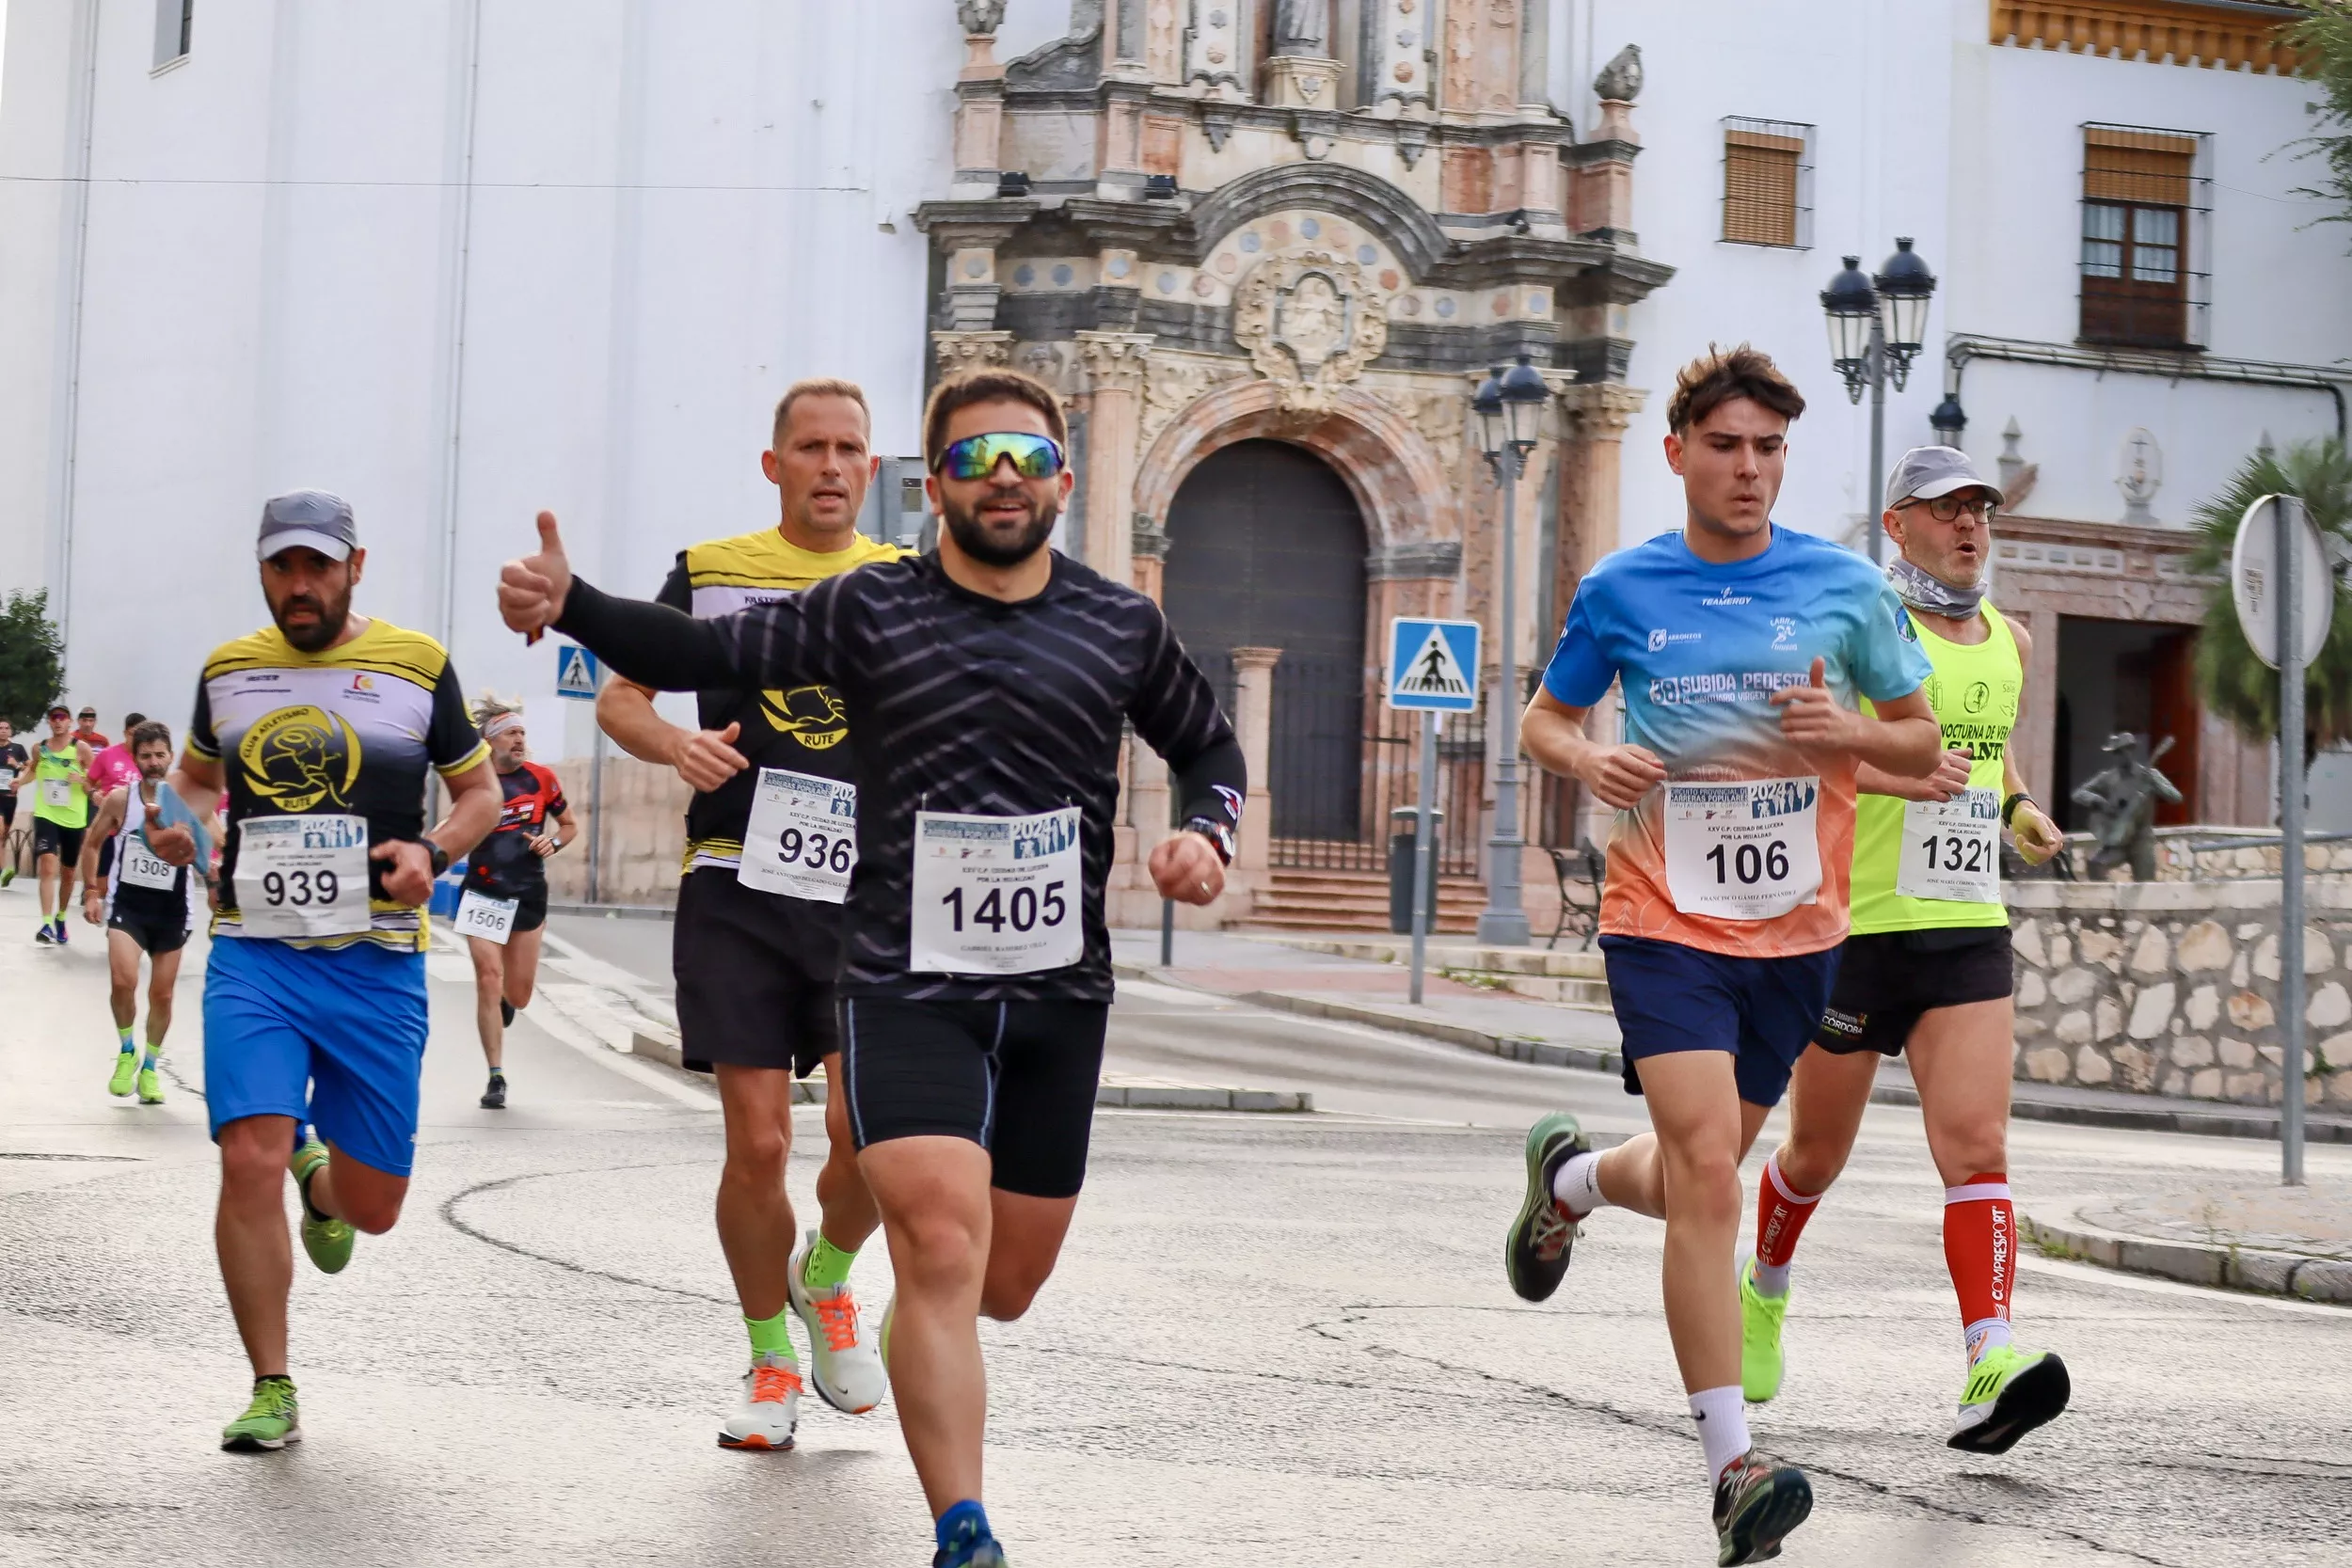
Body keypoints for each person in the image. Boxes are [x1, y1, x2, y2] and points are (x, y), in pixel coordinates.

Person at [500, 368, 1244, 1568]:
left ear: (1062, 477)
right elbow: (695, 641)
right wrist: (573, 599)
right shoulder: (868, 609)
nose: (1002, 477)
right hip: (905, 976)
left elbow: (1206, 740)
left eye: (1025, 455)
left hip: (1058, 992)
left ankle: (910, 1331)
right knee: (941, 1244)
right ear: (932, 483)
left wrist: (1206, 832)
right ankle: (964, 1527)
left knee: (1004, 1283)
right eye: (971, 458)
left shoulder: (1120, 623)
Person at [1502, 345, 1941, 1566]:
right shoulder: (1623, 586)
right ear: (1678, 451)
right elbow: (1547, 713)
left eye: (1768, 448)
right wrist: (1589, 760)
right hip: (1661, 917)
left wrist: (1841, 726)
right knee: (1711, 1169)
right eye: (1728, 445)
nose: (1749, 468)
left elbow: (1915, 742)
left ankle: (1574, 1182)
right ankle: (1732, 1463)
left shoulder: (1846, 588)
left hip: (1798, 933)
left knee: (1703, 1164)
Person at [1738, 446, 2073, 1454]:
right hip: (1853, 928)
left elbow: (1989, 749)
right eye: (1946, 509)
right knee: (1812, 1153)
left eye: (1980, 508)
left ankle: (1990, 1356)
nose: (1970, 524)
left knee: (1975, 1147)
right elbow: (1800, 748)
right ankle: (1764, 1287)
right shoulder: (1857, 629)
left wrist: (2017, 808)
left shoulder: (2009, 641)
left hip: (1965, 926)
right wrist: (1895, 782)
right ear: (1898, 524)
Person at [593, 377, 908, 1449]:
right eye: (810, 447)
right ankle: (770, 1357)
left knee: (870, 1140)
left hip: (863, 895)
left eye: (849, 448)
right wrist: (674, 742)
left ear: (872, 468)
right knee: (759, 1141)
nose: (830, 463)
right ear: (773, 464)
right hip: (736, 877)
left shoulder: (903, 583)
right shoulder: (713, 570)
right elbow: (619, 695)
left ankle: (825, 1276)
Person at [146, 490, 497, 1452]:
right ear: (261, 568)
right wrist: (170, 821)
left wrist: (434, 849)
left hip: (377, 962)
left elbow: (481, 791)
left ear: (355, 565)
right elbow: (196, 780)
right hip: (255, 952)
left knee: (373, 1204)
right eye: (282, 567)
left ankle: (324, 1181)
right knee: (243, 1153)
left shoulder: (417, 665)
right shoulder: (228, 670)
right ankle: (272, 1383)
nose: (300, 585)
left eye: (318, 566)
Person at [457, 698, 576, 1110]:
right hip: (483, 892)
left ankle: (509, 1002)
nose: (520, 739)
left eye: (523, 733)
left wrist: (553, 842)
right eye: (512, 733)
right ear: (490, 743)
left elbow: (569, 825)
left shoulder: (542, 779)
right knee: (488, 975)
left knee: (519, 995)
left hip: (527, 892)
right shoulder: (475, 781)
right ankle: (496, 1076)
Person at [78, 721, 200, 1103]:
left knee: (162, 995)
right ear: (135, 758)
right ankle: (127, 1050)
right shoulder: (121, 800)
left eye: (159, 755)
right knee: (122, 982)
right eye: (145, 756)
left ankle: (149, 1068)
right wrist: (92, 893)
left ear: (170, 757)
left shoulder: (185, 802)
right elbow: (92, 844)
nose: (153, 762)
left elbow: (214, 845)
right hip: (127, 907)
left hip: (172, 912)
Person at [30, 705, 94, 943]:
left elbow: (94, 783)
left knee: (68, 874)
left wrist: (82, 779)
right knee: (47, 865)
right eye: (53, 718)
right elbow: (32, 772)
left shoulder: (82, 749)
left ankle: (61, 916)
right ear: (49, 722)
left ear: (70, 722)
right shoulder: (40, 749)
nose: (57, 722)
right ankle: (46, 923)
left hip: (74, 819)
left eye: (62, 718)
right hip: (46, 814)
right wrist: (19, 781)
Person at [0, 719, 28, 887]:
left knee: (4, 836)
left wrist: (15, 765)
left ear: (10, 731)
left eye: (6, 728)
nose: (3, 731)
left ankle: (3, 872)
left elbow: (29, 768)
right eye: (0, 728)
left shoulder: (18, 749)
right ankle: (3, 869)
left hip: (10, 798)